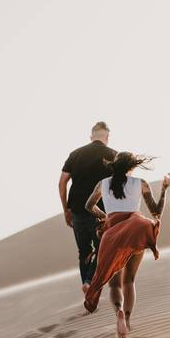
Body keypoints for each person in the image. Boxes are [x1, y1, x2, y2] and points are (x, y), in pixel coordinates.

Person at [82, 151, 170, 338]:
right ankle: (128, 320)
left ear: (114, 165)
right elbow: (156, 211)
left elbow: (88, 205)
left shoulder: (102, 184)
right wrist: (165, 188)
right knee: (129, 281)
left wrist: (103, 216)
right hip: (137, 229)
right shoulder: (141, 183)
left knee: (114, 284)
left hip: (113, 232)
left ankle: (119, 312)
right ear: (132, 166)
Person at [58, 121, 117, 294]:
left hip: (76, 210)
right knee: (102, 249)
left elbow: (62, 183)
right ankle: (90, 282)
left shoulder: (75, 154)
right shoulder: (113, 155)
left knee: (84, 251)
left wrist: (65, 210)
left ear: (91, 137)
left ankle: (86, 282)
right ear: (107, 137)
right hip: (100, 211)